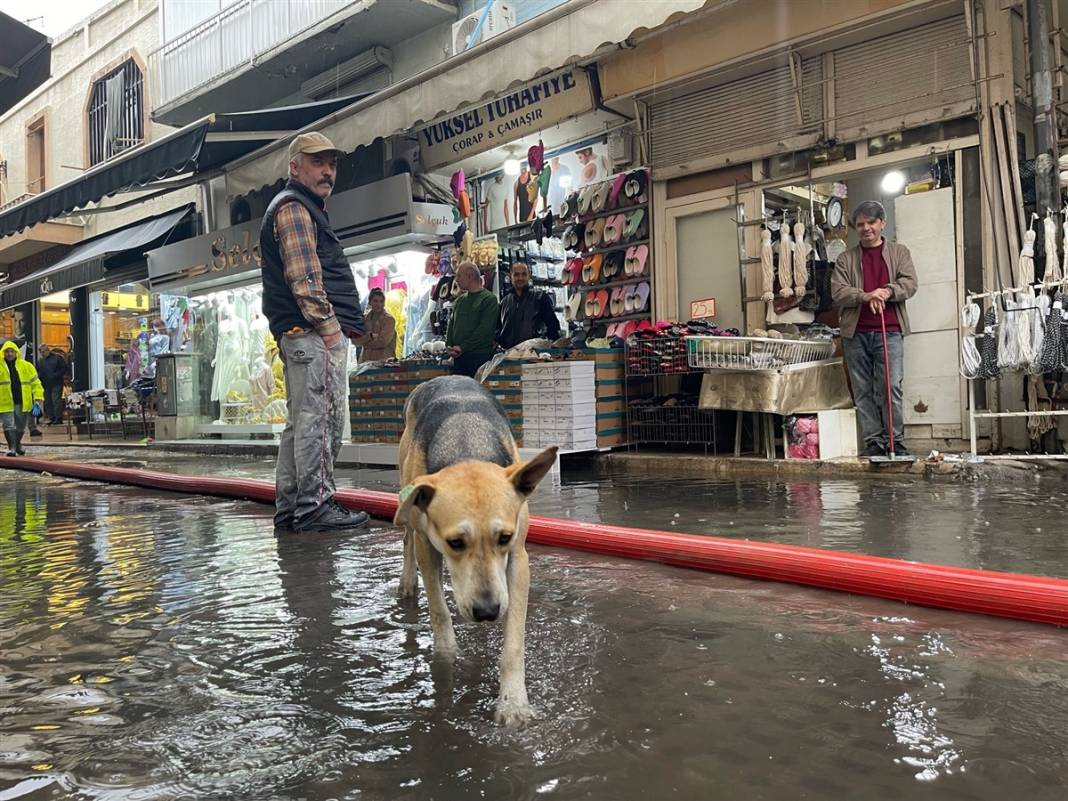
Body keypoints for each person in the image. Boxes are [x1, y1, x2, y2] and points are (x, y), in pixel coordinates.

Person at [259, 131, 370, 533]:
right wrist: (330, 329)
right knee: (320, 420)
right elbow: (304, 278)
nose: (328, 171)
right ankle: (315, 505)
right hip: (311, 333)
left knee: (302, 421)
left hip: (302, 334)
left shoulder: (298, 206)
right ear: (295, 167)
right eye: (318, 163)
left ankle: (292, 507)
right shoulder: (294, 207)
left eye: (332, 164)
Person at [831, 200, 918, 458]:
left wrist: (888, 291)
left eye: (871, 222)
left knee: (890, 387)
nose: (866, 228)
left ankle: (895, 442)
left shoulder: (899, 252)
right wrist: (865, 296)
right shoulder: (845, 259)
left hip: (889, 331)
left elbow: (910, 283)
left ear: (882, 223)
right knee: (862, 390)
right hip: (855, 334)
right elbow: (838, 291)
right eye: (860, 224)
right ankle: (874, 442)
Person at [446, 261, 499, 378]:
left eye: (459, 276)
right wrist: (449, 345)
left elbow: (484, 330)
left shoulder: (489, 299)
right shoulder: (460, 300)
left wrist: (462, 347)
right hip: (459, 358)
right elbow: (451, 323)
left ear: (470, 276)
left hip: (479, 358)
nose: (456, 280)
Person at [497, 261, 561, 349]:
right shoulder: (505, 302)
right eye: (516, 274)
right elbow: (499, 329)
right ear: (510, 276)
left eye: (524, 274)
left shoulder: (540, 298)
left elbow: (553, 326)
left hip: (534, 353)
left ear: (529, 275)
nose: (520, 278)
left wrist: (552, 349)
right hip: (510, 353)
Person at [1, 340, 45, 457]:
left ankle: (17, 444)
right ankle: (12, 448)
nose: (9, 354)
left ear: (16, 352)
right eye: (7, 352)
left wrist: (38, 399)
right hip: (5, 402)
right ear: (3, 353)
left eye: (12, 351)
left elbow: (36, 384)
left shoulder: (27, 366)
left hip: (22, 401)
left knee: (20, 426)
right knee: (8, 424)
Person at [358, 288, 397, 362]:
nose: (378, 304)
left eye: (381, 301)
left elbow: (383, 342)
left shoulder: (389, 320)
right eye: (375, 301)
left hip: (383, 362)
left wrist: (366, 340)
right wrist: (374, 336)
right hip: (365, 361)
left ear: (384, 303)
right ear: (370, 302)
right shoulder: (365, 319)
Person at [37, 346, 68, 425]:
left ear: (47, 350)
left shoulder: (57, 358)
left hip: (56, 382)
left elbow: (64, 368)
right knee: (48, 401)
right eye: (41, 352)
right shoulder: (41, 361)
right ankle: (52, 417)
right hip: (46, 383)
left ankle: (58, 418)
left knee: (56, 400)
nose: (42, 354)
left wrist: (55, 375)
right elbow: (39, 371)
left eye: (43, 352)